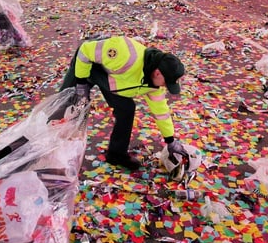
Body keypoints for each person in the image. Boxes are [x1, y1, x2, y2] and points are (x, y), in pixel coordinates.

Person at [60, 35, 188, 170]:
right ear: (157, 73)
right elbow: (85, 51)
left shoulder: (154, 86)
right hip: (87, 63)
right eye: (166, 82)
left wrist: (170, 141)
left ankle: (116, 154)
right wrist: (81, 83)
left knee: (127, 108)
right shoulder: (125, 53)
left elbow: (161, 112)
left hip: (112, 79)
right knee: (64, 103)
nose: (165, 87)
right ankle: (42, 145)